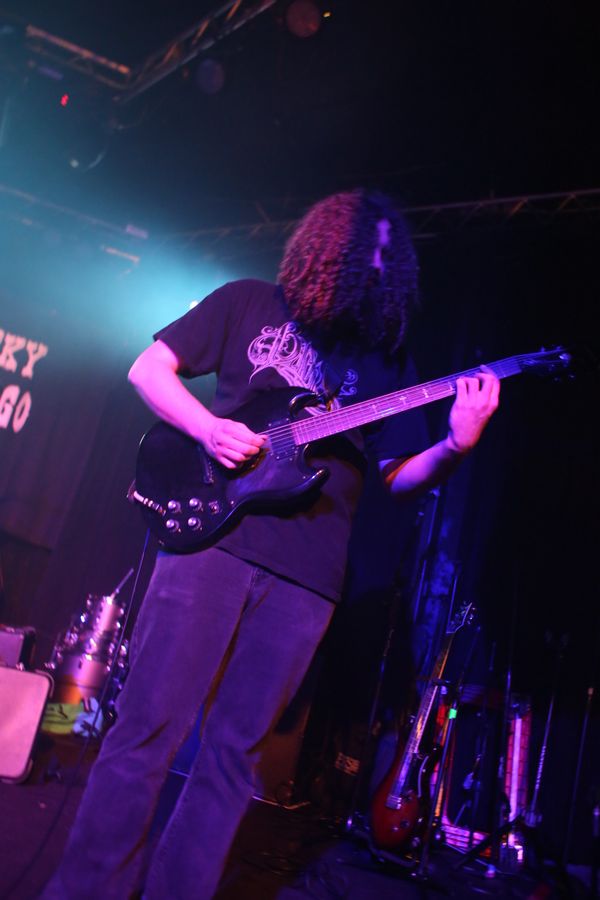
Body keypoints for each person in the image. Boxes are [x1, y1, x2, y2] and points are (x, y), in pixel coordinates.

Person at [42, 190, 499, 899]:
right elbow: (147, 370)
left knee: (234, 760)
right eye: (363, 256)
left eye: (388, 264)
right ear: (324, 249)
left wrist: (455, 447)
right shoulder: (247, 302)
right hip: (210, 544)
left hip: (308, 578)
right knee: (146, 732)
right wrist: (207, 428)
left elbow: (397, 477)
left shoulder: (389, 360)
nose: (374, 272)